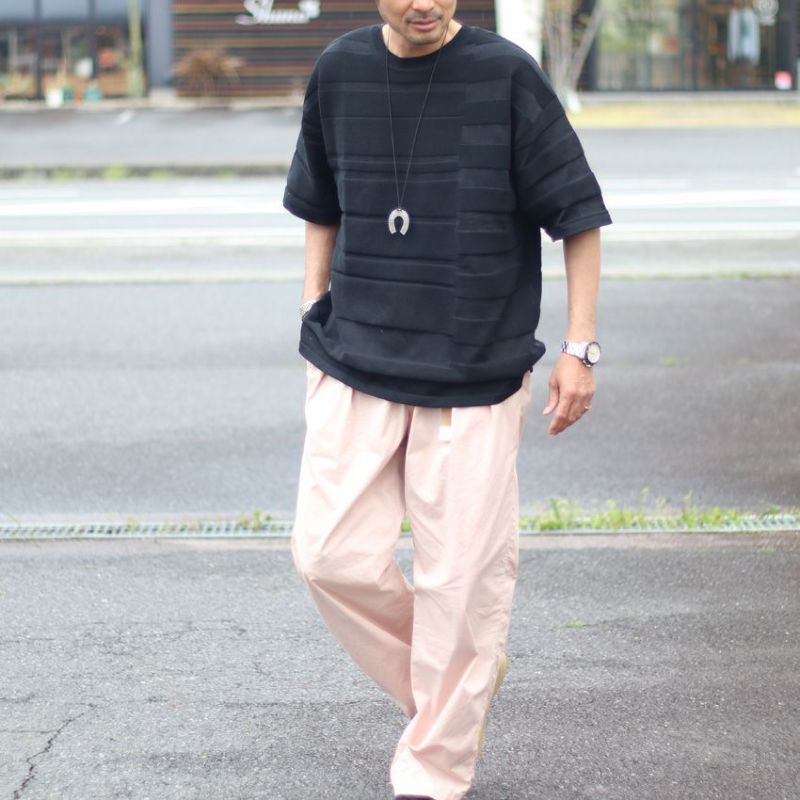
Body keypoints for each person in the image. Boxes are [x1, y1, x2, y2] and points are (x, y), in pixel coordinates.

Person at [283, 0, 612, 797]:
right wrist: (311, 305)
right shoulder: (340, 70)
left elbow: (577, 215)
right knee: (326, 556)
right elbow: (320, 202)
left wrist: (579, 349)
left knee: (459, 584)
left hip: (474, 370)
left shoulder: (506, 75)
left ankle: (433, 769)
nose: (425, 3)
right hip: (353, 356)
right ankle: (461, 680)